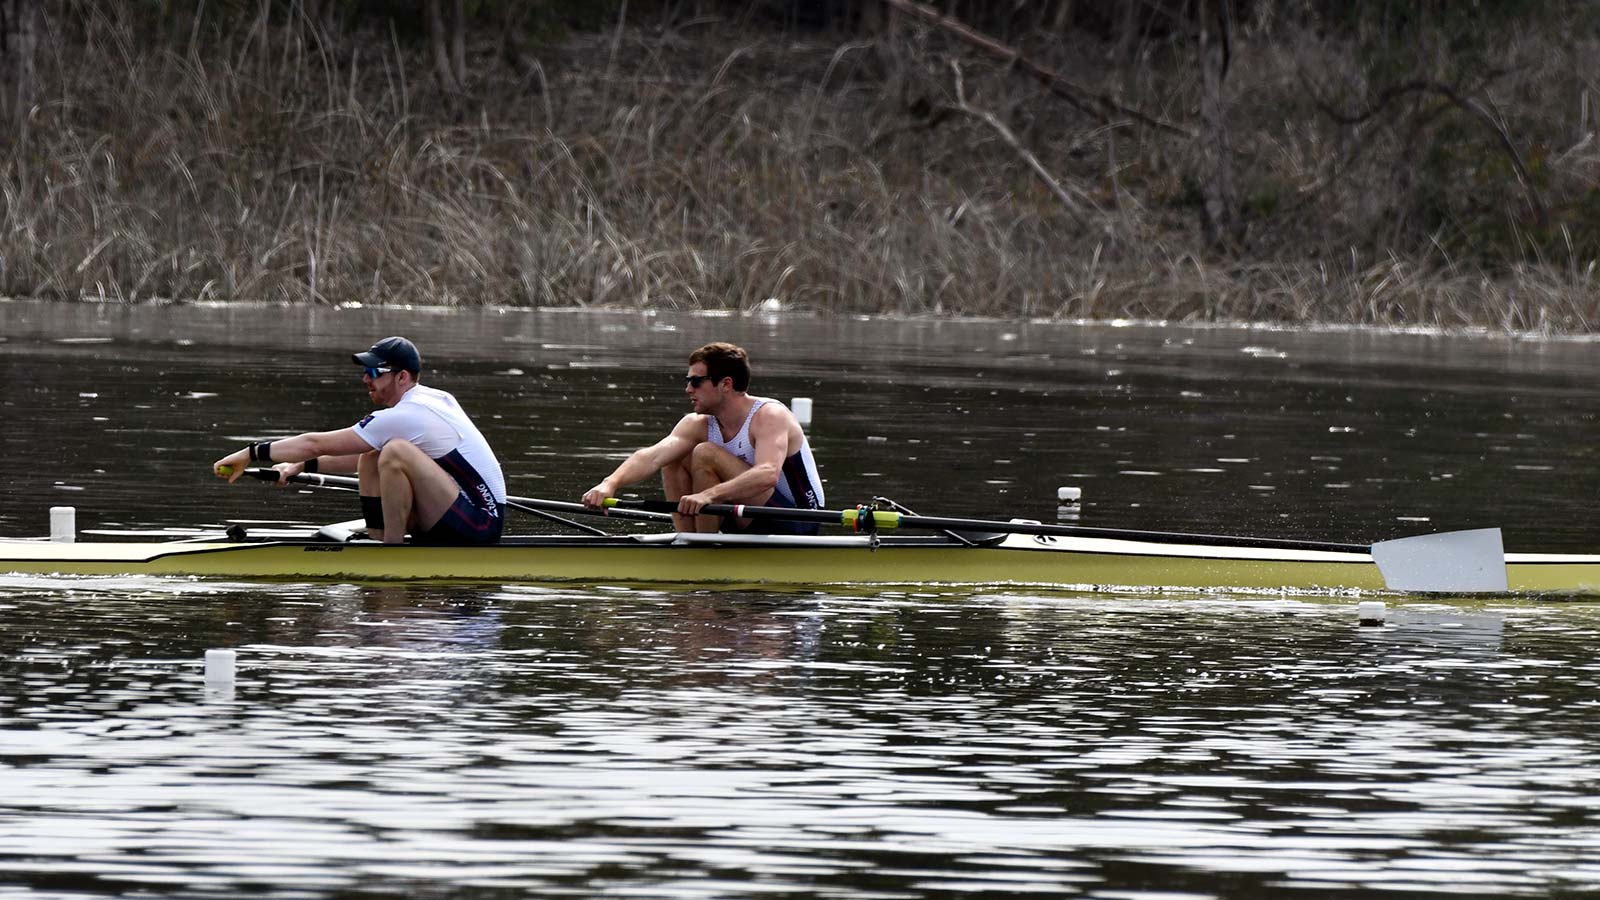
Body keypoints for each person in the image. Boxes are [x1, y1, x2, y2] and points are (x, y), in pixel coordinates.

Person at [212, 336, 506, 545]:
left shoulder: (408, 414)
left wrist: (250, 453)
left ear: (402, 377)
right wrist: (300, 465)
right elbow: (349, 455)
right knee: (374, 454)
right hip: (460, 511)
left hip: (479, 523)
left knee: (394, 452)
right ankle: (380, 539)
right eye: (366, 372)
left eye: (375, 372)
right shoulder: (432, 399)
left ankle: (391, 551)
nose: (366, 379)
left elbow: (316, 442)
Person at [581, 341, 824, 534]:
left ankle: (702, 547)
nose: (688, 389)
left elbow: (768, 474)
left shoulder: (769, 415)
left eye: (696, 382)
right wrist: (610, 483)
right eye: (688, 381)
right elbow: (652, 457)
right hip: (744, 514)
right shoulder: (697, 424)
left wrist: (707, 496)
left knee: (705, 453)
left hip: (797, 520)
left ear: (725, 384)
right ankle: (690, 541)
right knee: (675, 456)